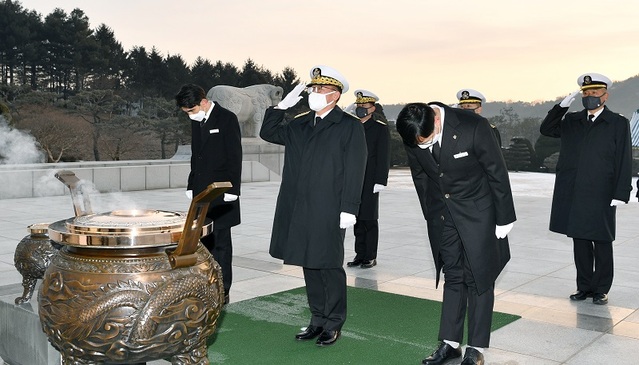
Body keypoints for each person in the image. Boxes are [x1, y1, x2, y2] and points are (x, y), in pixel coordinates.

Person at [396, 102, 516, 365]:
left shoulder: (473, 127)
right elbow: (421, 178)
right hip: (443, 214)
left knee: (479, 277)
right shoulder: (413, 131)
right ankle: (450, 343)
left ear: (437, 121)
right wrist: (430, 214)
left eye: (427, 141)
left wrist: (504, 217)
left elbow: (497, 171)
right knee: (453, 274)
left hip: (479, 213)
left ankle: (475, 347)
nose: (423, 148)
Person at [260, 65, 367, 346]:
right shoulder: (300, 124)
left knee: (329, 265)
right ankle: (317, 319)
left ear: (335, 95)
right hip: (299, 206)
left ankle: (333, 322)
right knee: (309, 263)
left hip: (330, 206)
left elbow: (356, 169)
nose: (315, 93)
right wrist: (282, 106)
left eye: (321, 89)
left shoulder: (349, 126)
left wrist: (349, 208)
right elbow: (267, 132)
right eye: (313, 88)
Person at [540, 72, 632, 306]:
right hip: (574, 190)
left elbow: (624, 158)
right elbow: (547, 129)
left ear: (605, 96)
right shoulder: (572, 121)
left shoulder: (617, 123)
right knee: (580, 241)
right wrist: (561, 107)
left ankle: (601, 289)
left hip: (602, 191)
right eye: (586, 93)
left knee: (602, 241)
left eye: (594, 93)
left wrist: (621, 192)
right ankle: (584, 286)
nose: (589, 97)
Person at [175, 83, 242, 305]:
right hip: (202, 193)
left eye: (191, 111)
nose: (189, 116)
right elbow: (197, 156)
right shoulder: (197, 120)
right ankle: (207, 283)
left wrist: (233, 189)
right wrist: (191, 184)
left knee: (222, 243)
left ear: (203, 102)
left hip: (222, 191)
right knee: (204, 241)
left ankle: (223, 289)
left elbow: (234, 156)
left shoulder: (227, 119)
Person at [346, 89, 390, 269]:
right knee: (356, 219)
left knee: (369, 219)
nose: (360, 109)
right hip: (353, 179)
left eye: (364, 106)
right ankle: (359, 254)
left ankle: (370, 255)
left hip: (371, 180)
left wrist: (381, 180)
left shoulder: (380, 128)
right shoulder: (352, 126)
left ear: (373, 108)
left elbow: (383, 156)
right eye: (359, 106)